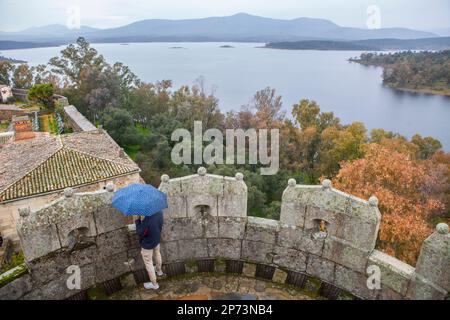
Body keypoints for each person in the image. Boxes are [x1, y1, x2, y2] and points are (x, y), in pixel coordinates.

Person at [135, 211, 164, 290]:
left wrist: (137, 220)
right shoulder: (159, 212)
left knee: (148, 263)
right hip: (156, 239)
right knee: (157, 253)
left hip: (147, 244)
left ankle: (154, 284)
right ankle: (159, 271)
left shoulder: (147, 220)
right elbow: (160, 225)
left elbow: (140, 232)